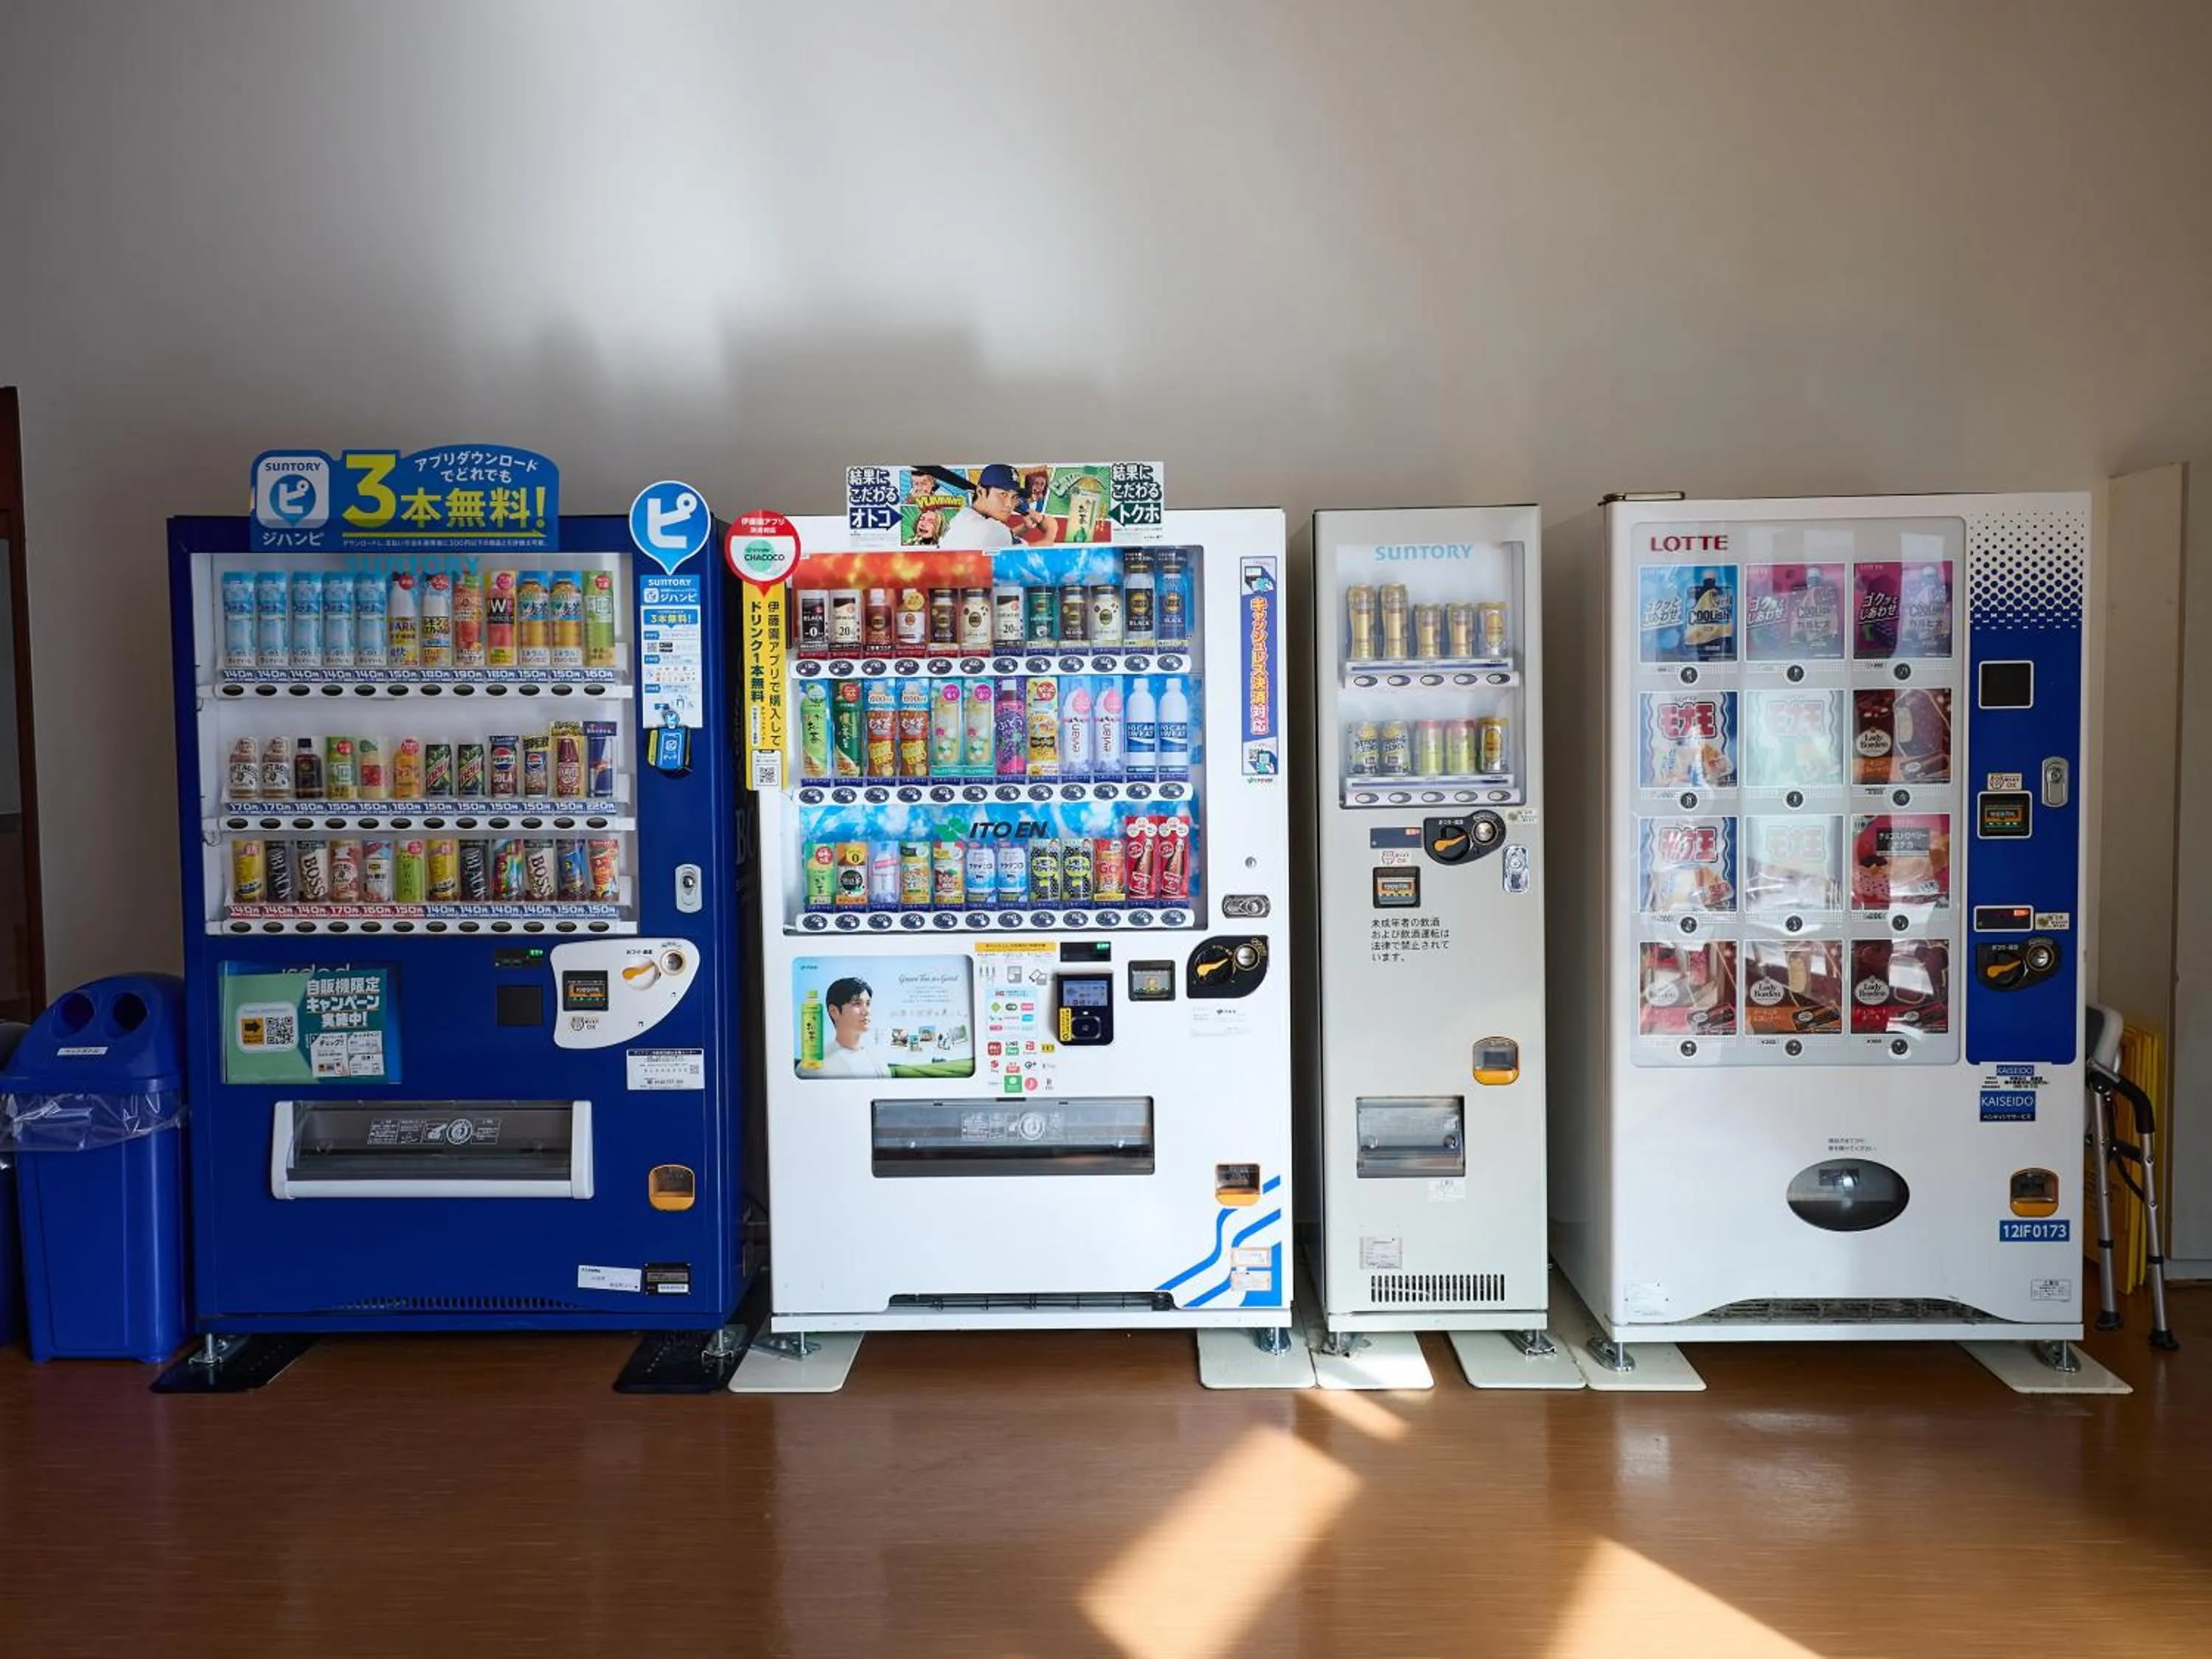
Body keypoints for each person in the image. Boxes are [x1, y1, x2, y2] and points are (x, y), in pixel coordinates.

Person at [814, 976, 890, 1078]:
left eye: (868, 1004)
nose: (866, 1011)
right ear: (834, 1011)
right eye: (857, 1004)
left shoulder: (877, 1058)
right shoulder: (816, 1066)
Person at [941, 463, 1023, 551]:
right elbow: (1035, 553)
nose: (1009, 504)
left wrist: (1025, 526)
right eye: (1003, 494)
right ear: (981, 492)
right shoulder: (994, 530)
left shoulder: (963, 516)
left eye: (1014, 497)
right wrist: (1039, 522)